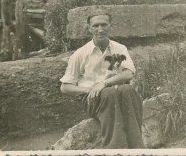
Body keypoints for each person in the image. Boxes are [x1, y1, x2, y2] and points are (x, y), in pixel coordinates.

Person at [60, 12, 144, 149]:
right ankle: (115, 149)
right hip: (94, 99)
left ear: (111, 26)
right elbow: (65, 87)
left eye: (104, 25)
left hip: (117, 94)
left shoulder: (119, 48)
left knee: (127, 89)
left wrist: (103, 83)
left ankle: (137, 148)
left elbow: (128, 74)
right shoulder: (80, 54)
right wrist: (90, 89)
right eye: (95, 26)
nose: (100, 29)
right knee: (109, 93)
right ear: (89, 29)